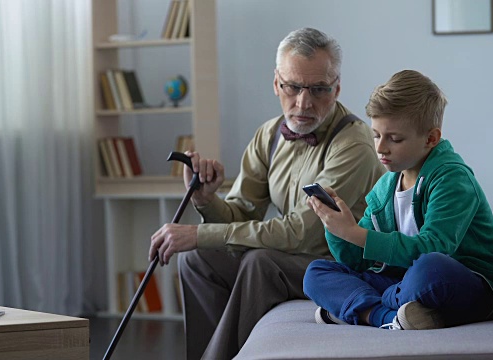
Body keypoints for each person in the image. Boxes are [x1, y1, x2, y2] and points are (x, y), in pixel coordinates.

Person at [148, 28, 384, 359]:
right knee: (197, 259)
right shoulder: (269, 135)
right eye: (292, 87)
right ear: (276, 83)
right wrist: (205, 199)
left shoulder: (353, 144)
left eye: (318, 89)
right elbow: (243, 212)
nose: (304, 103)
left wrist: (200, 233)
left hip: (340, 264)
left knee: (261, 263)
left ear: (336, 89)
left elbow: (303, 234)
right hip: (296, 256)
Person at [303, 69, 493, 331]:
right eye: (376, 135)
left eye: (395, 138)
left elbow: (435, 247)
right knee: (317, 273)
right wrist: (336, 227)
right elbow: (355, 261)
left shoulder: (452, 178)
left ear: (431, 139)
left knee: (430, 267)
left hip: (467, 284)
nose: (380, 148)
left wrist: (356, 233)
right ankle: (388, 317)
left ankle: (363, 308)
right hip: (404, 281)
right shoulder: (385, 187)